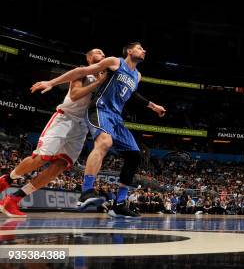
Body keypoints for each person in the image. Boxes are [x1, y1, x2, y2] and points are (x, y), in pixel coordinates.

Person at [31, 42, 166, 218]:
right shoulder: (115, 62)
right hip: (100, 109)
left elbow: (131, 93)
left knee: (135, 155)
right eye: (140, 48)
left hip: (116, 117)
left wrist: (152, 105)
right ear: (130, 51)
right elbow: (81, 72)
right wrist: (52, 82)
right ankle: (86, 192)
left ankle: (119, 203)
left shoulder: (137, 76)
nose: (144, 50)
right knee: (105, 142)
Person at [0, 49, 107, 217]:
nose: (102, 53)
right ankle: (7, 180)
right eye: (98, 52)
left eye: (103, 52)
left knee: (60, 166)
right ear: (88, 58)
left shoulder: (106, 77)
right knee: (41, 157)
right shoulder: (83, 72)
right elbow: (74, 95)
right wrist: (97, 83)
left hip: (82, 127)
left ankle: (14, 199)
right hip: (65, 119)